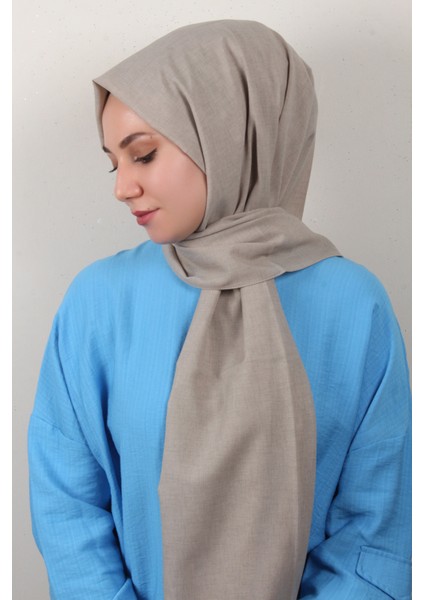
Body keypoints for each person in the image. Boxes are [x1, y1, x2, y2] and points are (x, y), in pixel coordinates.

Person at [28, 19, 411, 600]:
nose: (121, 188)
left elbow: (376, 526)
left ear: (234, 135)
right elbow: (68, 505)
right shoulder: (98, 303)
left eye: (143, 155)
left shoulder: (355, 307)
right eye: (114, 163)